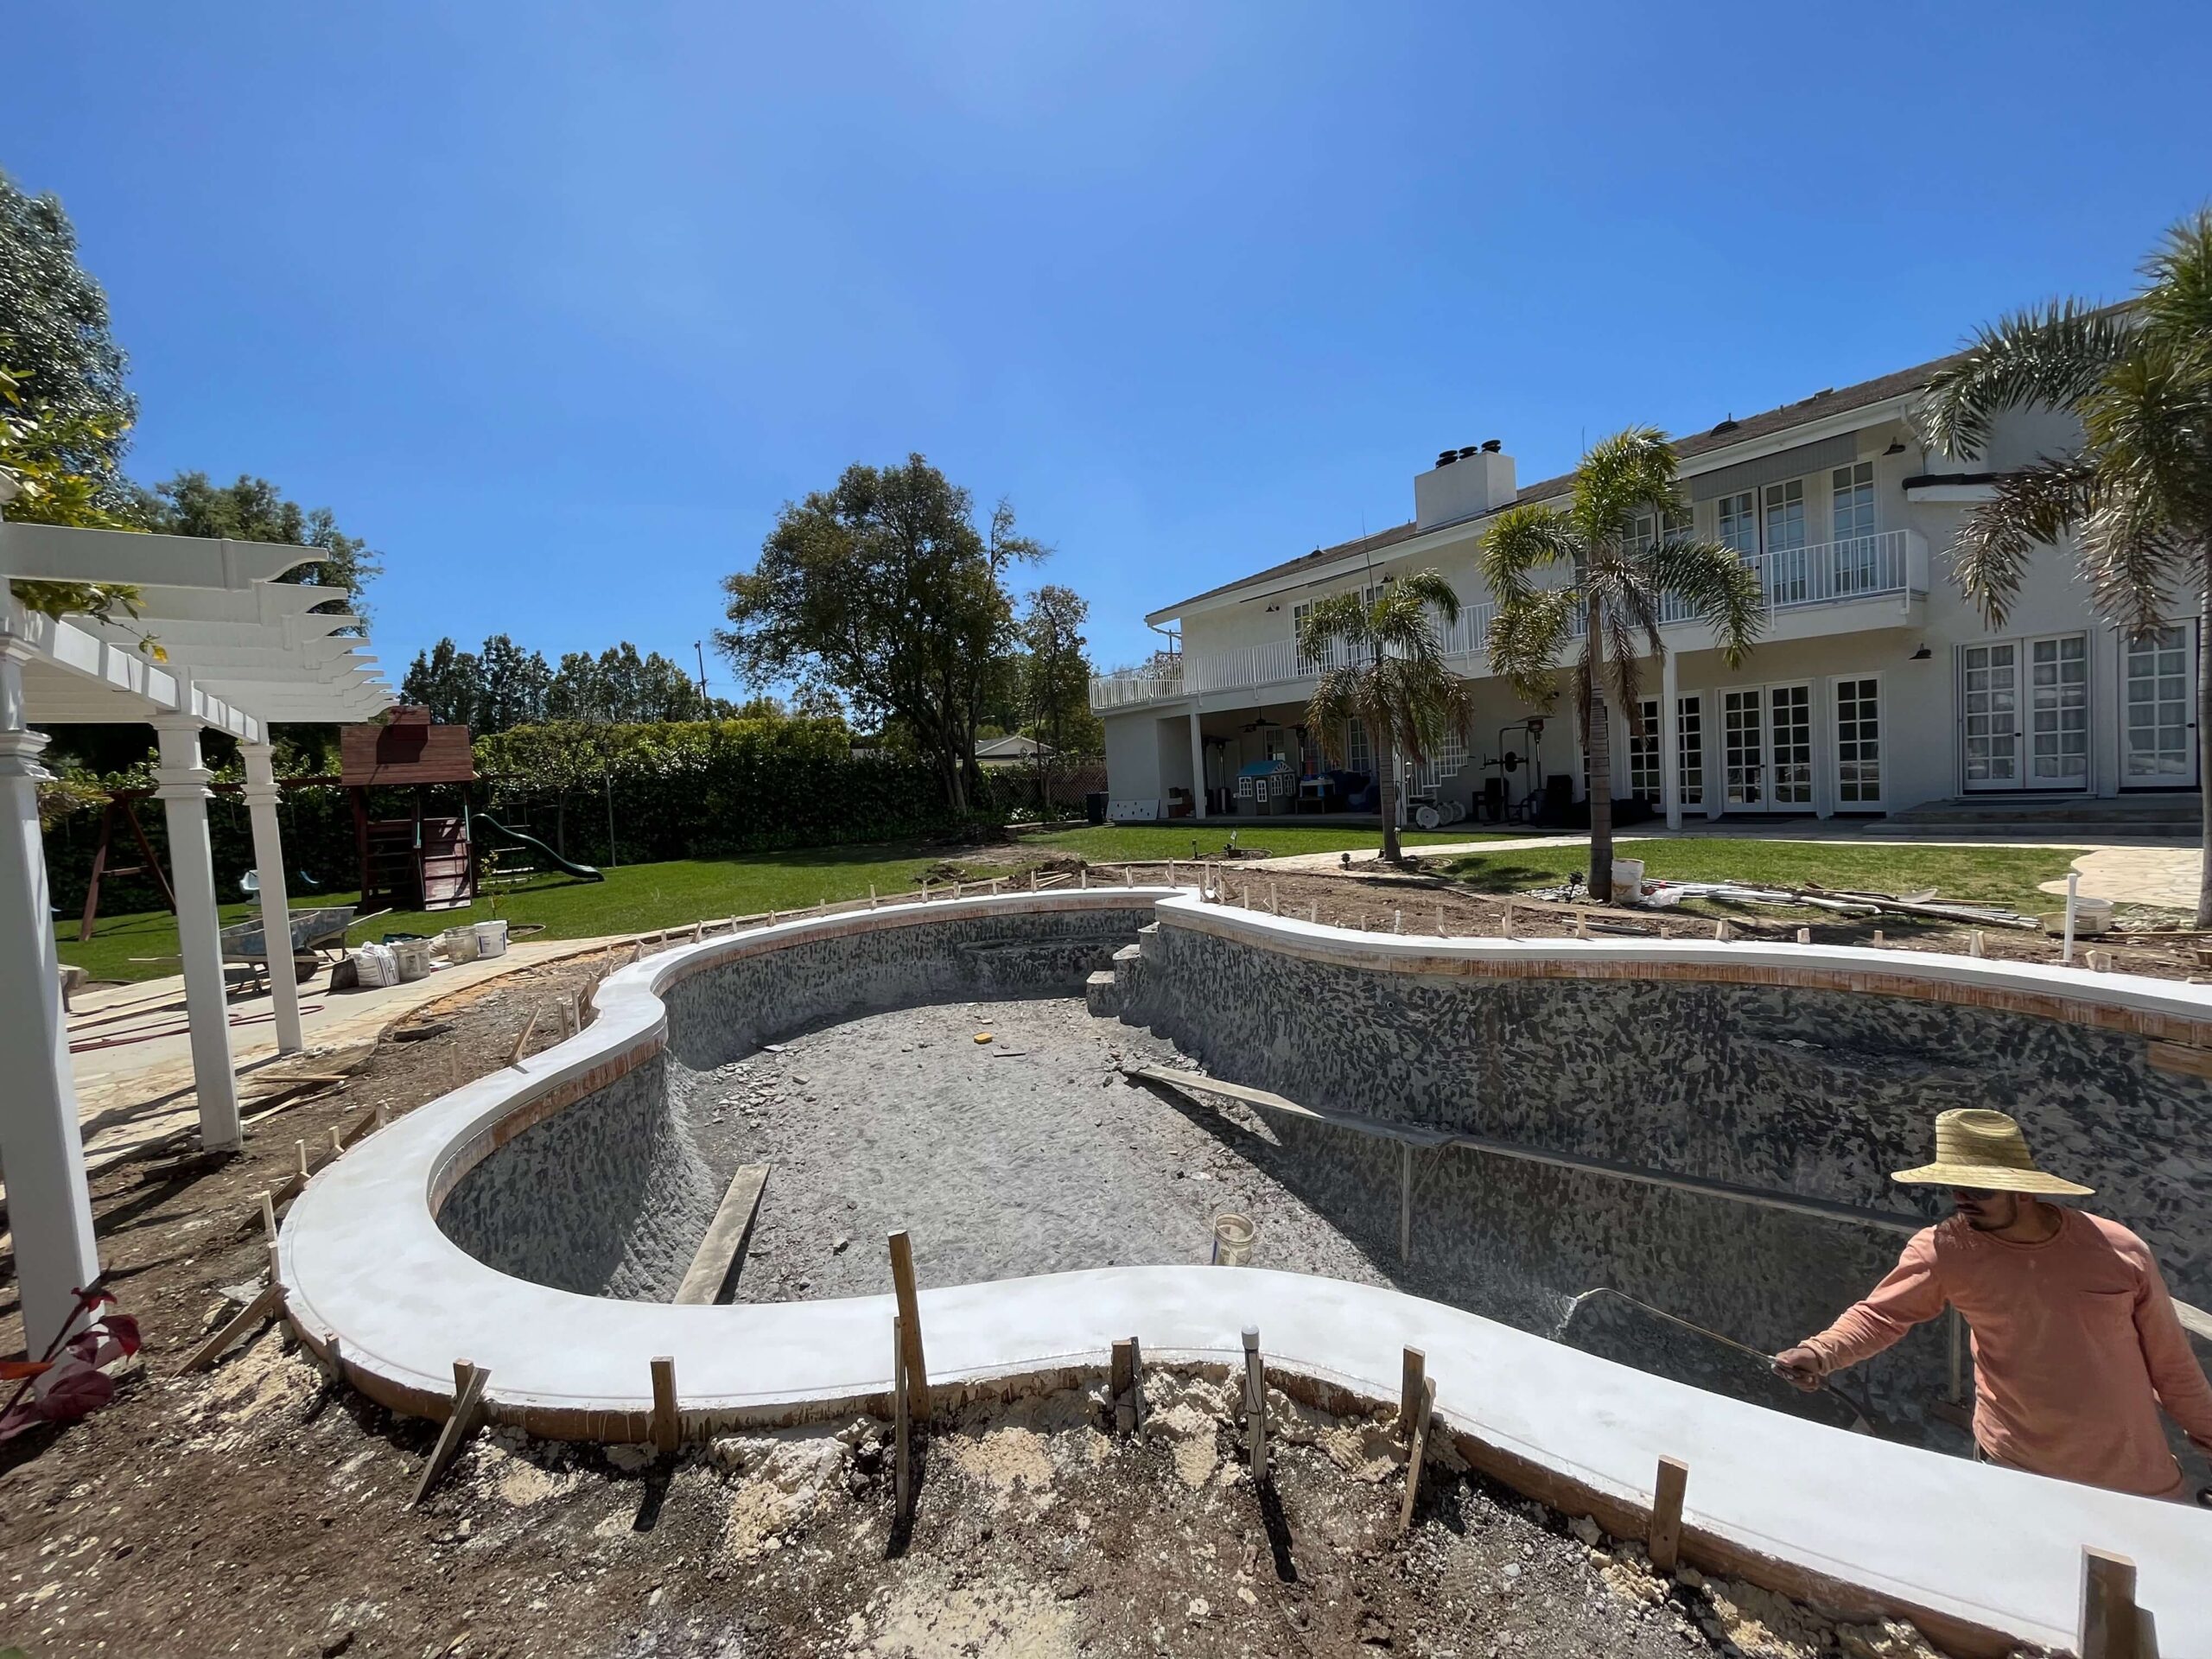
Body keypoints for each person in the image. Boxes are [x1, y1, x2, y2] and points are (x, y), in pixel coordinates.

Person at [1773, 1108, 2212, 1501]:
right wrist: (1819, 1353)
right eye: (1956, 1187)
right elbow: (1882, 1316)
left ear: (2022, 1191)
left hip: (2134, 1477)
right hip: (2013, 1466)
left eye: (1979, 1190)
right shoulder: (1943, 1248)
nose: (1963, 1200)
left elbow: (2171, 1364)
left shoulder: (2118, 1251)